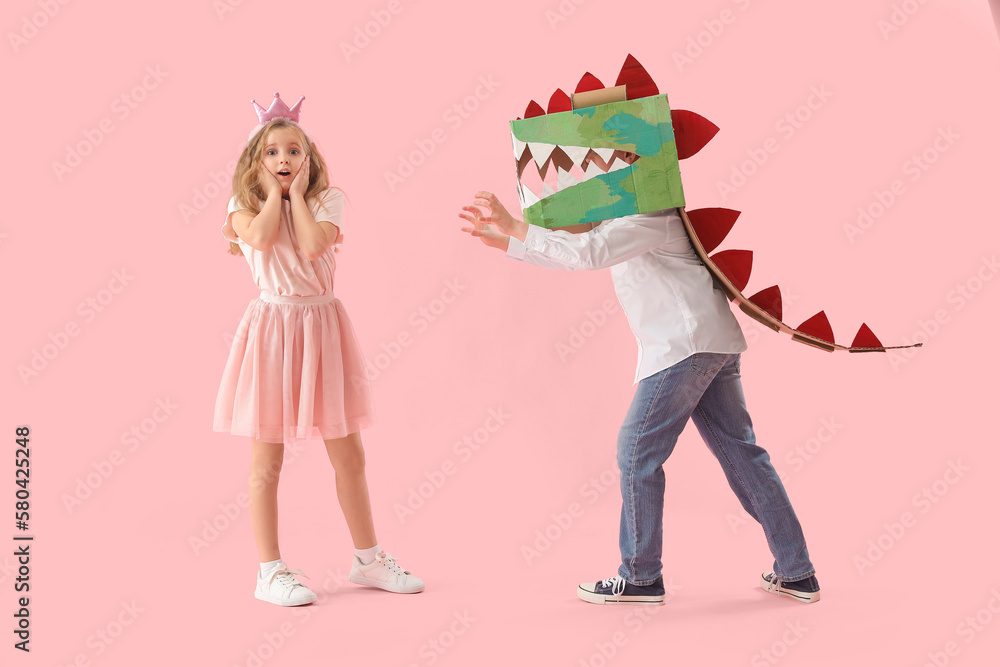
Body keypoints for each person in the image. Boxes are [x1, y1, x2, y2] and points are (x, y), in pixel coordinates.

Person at [459, 191, 820, 605]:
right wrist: (511, 239)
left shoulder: (650, 211)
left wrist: (517, 230)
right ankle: (797, 573)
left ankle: (640, 578)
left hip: (684, 347)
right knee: (743, 456)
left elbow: (590, 252)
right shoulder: (631, 209)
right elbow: (585, 237)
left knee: (636, 453)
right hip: (710, 344)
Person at [214, 94, 423, 606]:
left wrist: (300, 196)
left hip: (322, 327)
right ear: (255, 162)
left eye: (293, 151)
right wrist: (269, 197)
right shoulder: (241, 208)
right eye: (271, 153)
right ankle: (270, 571)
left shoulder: (329, 200)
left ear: (308, 160)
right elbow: (261, 240)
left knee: (349, 453)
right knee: (267, 460)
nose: (283, 160)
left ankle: (368, 559)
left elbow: (312, 246)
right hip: (272, 329)